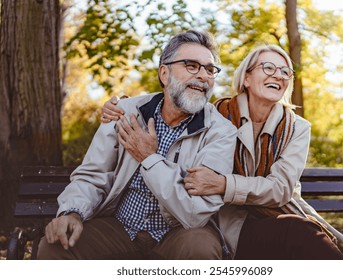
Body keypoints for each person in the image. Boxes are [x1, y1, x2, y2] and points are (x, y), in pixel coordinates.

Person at [102, 44, 343, 260]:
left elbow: (280, 189)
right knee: (293, 235)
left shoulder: (297, 128)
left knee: (300, 233)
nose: (278, 76)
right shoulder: (216, 114)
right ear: (247, 78)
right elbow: (171, 110)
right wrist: (124, 107)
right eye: (268, 68)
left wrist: (223, 184)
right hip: (228, 224)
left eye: (285, 72)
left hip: (278, 214)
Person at [37, 30, 237, 260]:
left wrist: (149, 159)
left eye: (210, 70)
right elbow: (93, 175)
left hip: (179, 233)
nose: (203, 75)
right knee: (55, 245)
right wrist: (73, 212)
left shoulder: (221, 132)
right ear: (165, 73)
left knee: (200, 247)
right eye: (191, 65)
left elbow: (195, 213)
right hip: (120, 228)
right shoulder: (125, 111)